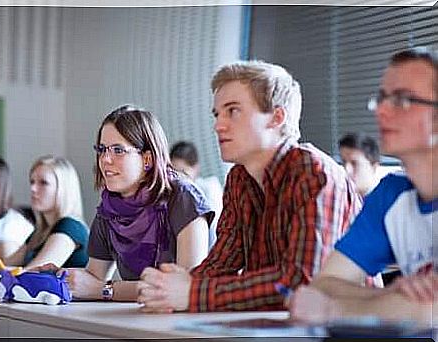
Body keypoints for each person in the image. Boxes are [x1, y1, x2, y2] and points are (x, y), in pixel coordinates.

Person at [137, 60, 362, 313]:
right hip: (275, 327)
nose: (218, 125)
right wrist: (169, 286)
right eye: (217, 114)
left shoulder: (315, 172)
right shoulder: (238, 179)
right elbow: (220, 265)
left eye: (232, 111)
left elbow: (303, 281)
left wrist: (192, 292)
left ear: (277, 117)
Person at [290, 47, 438, 326]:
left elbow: (431, 309)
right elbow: (324, 285)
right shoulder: (391, 196)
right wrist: (392, 296)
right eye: (382, 98)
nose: (382, 110)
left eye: (402, 100)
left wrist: (334, 311)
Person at [61, 105, 214, 302]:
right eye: (101, 149)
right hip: (138, 318)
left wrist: (105, 290)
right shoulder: (109, 208)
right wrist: (59, 277)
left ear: (147, 159)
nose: (105, 159)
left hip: (184, 324)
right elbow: (93, 280)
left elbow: (185, 287)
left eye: (118, 150)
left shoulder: (184, 198)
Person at [0, 155, 89, 276]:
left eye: (43, 183)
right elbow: (5, 266)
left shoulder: (70, 227)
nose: (33, 188)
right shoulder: (39, 233)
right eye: (32, 182)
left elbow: (31, 273)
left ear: (64, 189)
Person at [170, 141, 223, 249]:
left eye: (184, 172)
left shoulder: (209, 188)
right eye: (174, 173)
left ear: (196, 168)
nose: (180, 179)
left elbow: (216, 232)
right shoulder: (172, 194)